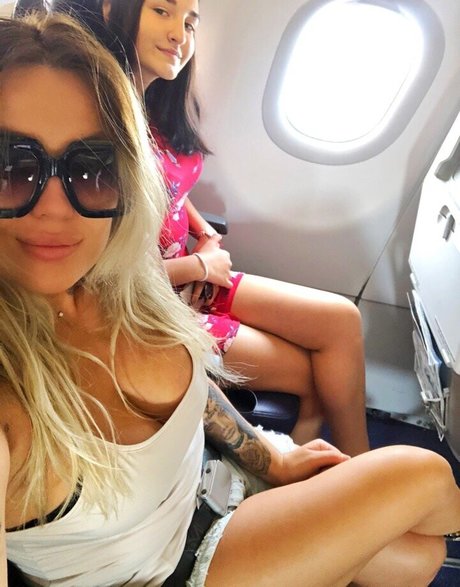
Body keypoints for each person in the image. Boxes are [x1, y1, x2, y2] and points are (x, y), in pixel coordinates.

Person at [2, 11, 460, 587]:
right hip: (164, 571)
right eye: (10, 164)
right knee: (424, 477)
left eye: (91, 167)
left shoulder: (116, 280)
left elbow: (192, 389)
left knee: (420, 556)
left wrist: (274, 459)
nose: (54, 206)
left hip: (207, 485)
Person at [46, 0, 370, 455]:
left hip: (187, 274)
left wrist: (204, 234)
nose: (179, 35)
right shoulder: (97, 122)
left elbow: (171, 185)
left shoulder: (147, 105)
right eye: (162, 11)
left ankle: (353, 465)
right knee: (309, 372)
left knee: (341, 319)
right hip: (144, 305)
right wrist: (200, 266)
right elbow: (96, 278)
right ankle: (337, 472)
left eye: (190, 23)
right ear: (111, 8)